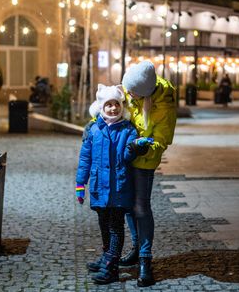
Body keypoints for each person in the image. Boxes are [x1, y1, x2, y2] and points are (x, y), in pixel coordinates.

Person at [75, 84, 152, 285]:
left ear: (121, 106)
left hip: (119, 188)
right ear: (101, 107)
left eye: (116, 105)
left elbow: (126, 156)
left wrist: (136, 147)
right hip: (100, 187)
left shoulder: (128, 129)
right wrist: (80, 184)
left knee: (116, 227)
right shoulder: (94, 129)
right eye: (108, 105)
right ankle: (107, 256)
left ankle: (111, 267)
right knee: (103, 224)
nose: (112, 109)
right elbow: (85, 158)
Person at [120, 61, 177, 287]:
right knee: (127, 205)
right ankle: (135, 247)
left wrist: (144, 147)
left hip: (144, 161)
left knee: (141, 207)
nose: (128, 94)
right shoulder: (132, 86)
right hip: (125, 156)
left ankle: (145, 259)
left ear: (143, 94)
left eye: (132, 92)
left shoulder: (164, 105)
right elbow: (110, 105)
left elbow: (162, 140)